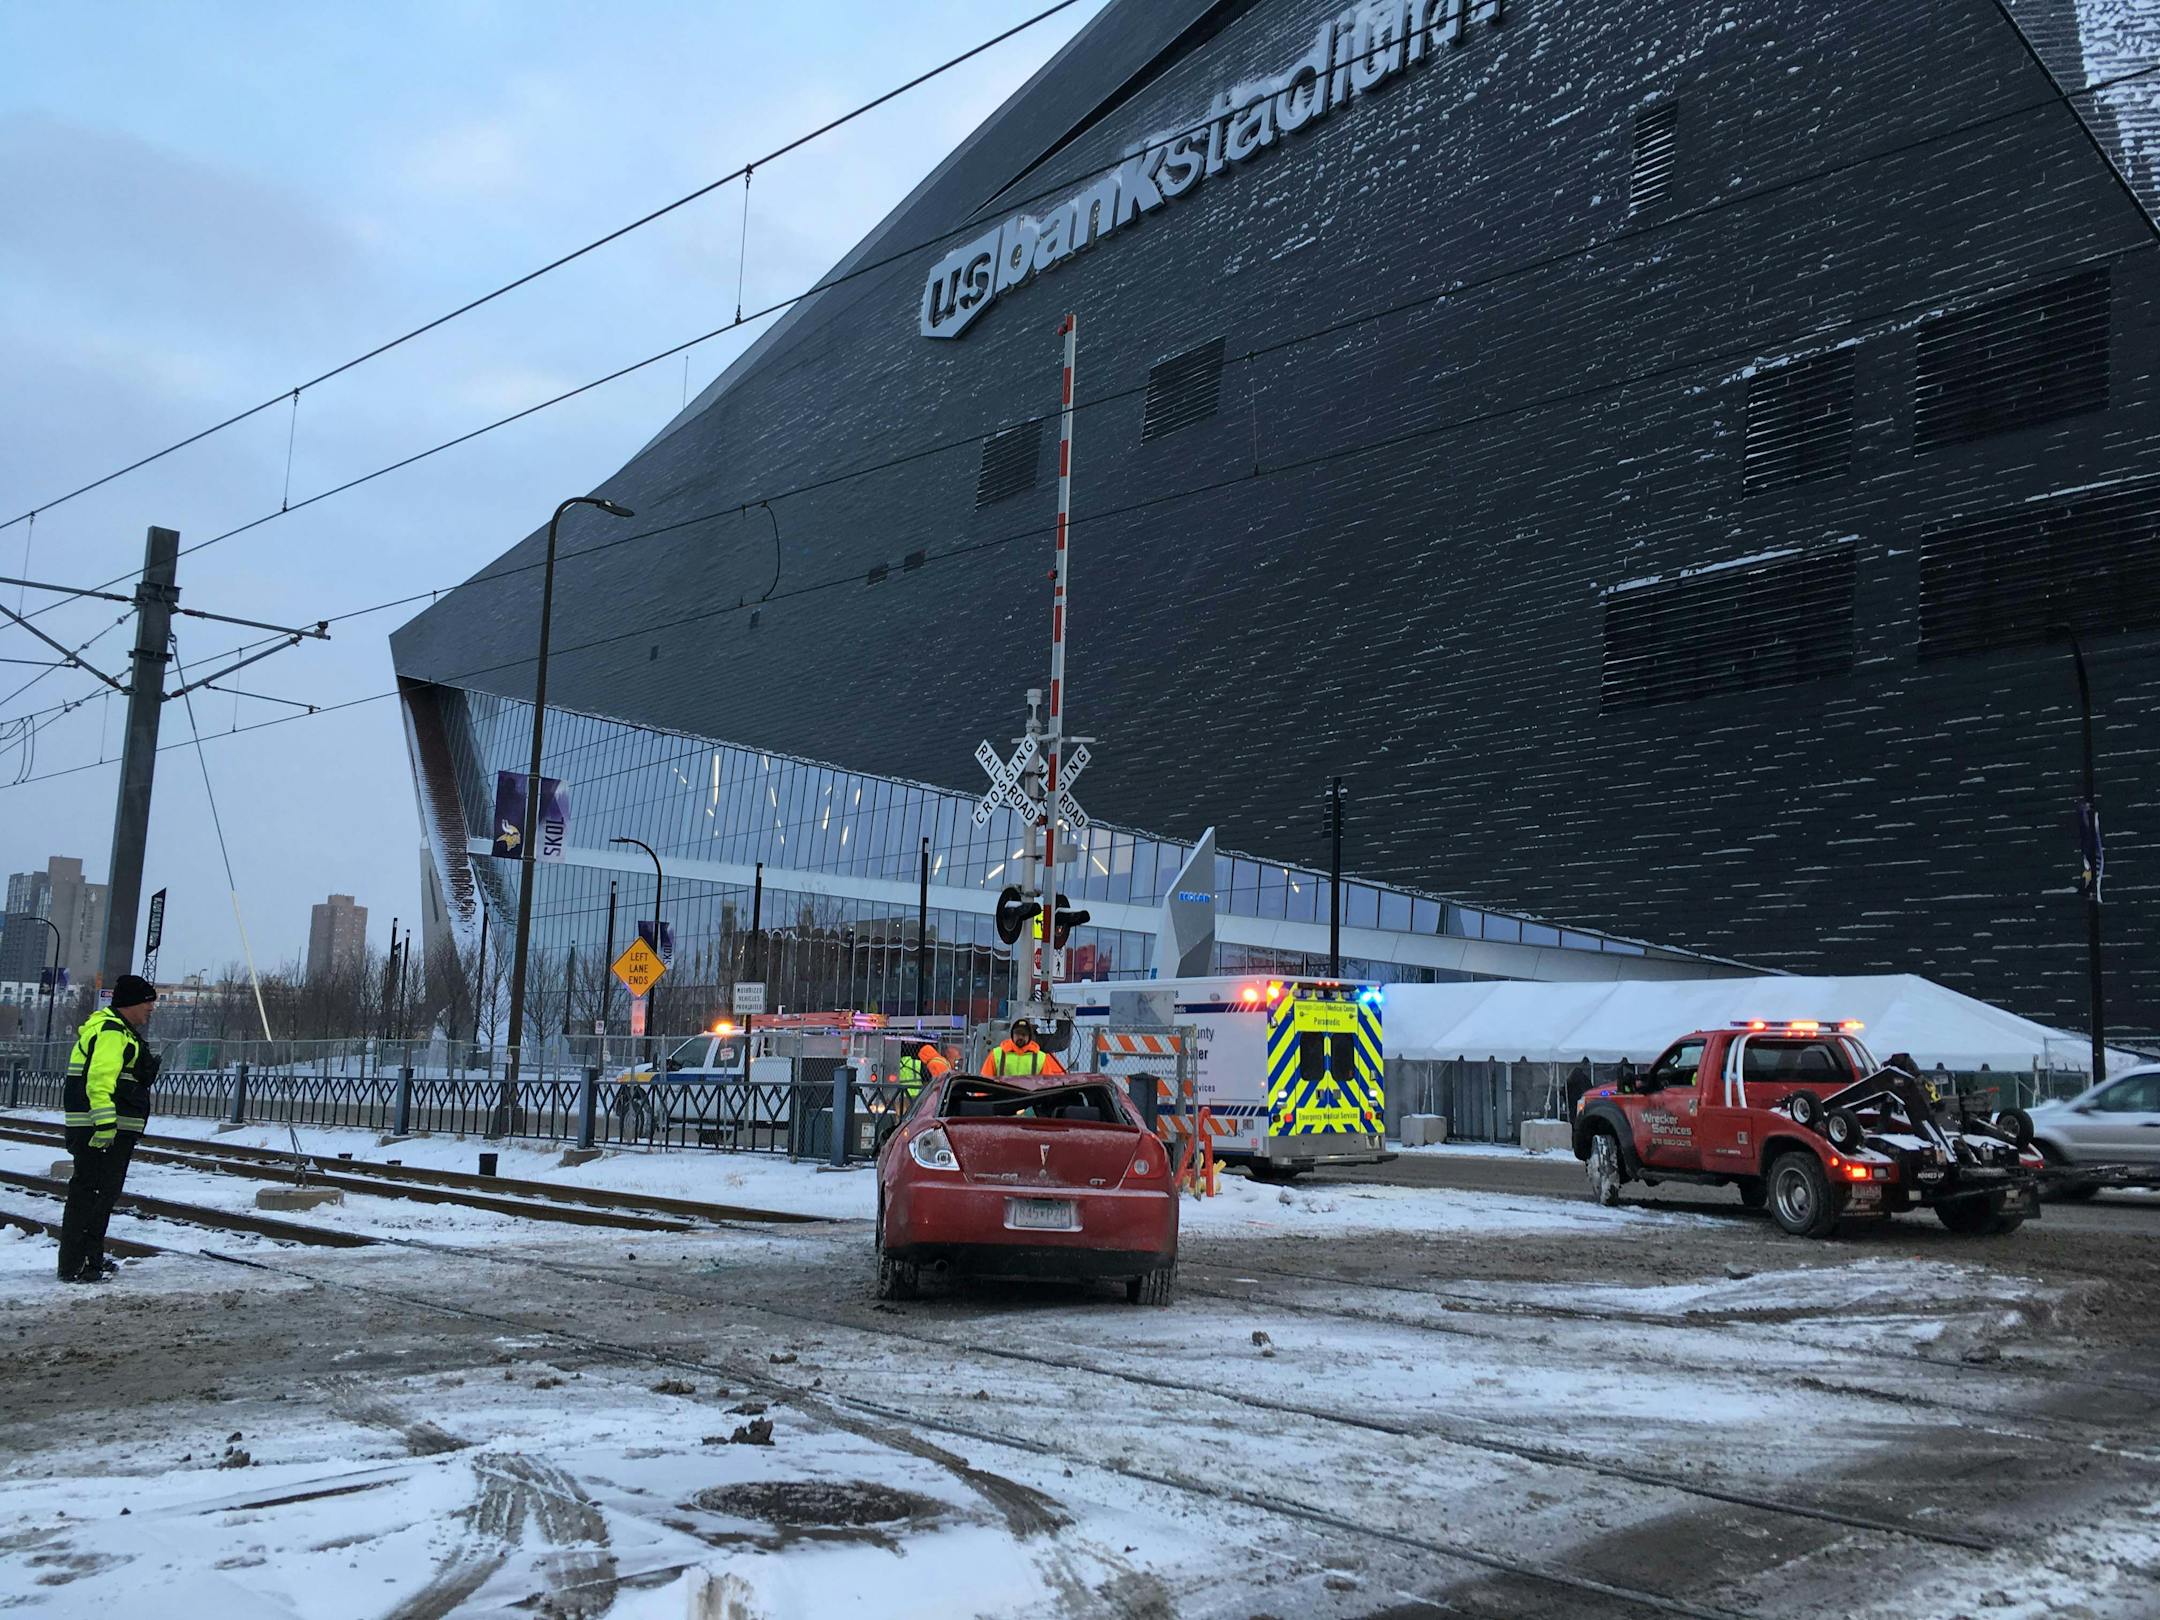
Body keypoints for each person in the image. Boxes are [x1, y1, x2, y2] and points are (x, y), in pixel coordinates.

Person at [59, 975, 159, 1284]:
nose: (151, 1009)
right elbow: (100, 1081)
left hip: (106, 1130)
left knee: (95, 1194)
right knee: (93, 1195)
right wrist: (104, 1125)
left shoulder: (117, 1031)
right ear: (131, 1003)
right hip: (102, 1131)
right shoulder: (112, 1033)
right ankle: (80, 1264)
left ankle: (89, 1259)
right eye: (147, 1002)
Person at [981, 1017, 1066, 1079]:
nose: (1020, 1037)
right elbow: (985, 1083)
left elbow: (1047, 1085)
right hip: (1002, 1102)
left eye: (1024, 1034)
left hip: (1029, 1102)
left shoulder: (1041, 1058)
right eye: (1018, 1033)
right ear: (1012, 1035)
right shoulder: (996, 1055)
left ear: (1029, 1037)